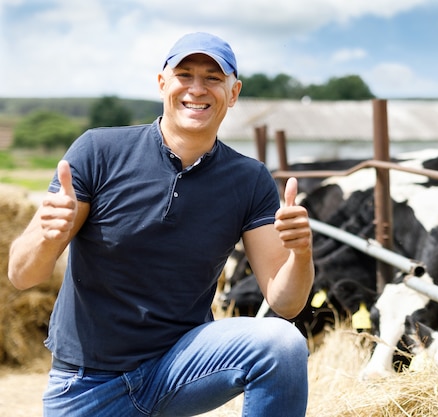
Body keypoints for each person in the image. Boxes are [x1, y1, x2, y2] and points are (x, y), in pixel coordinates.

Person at [8, 32, 314, 417]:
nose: (197, 89)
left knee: (281, 344)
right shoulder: (98, 152)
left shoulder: (249, 180)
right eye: (184, 74)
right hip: (87, 384)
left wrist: (301, 254)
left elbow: (286, 304)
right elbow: (22, 276)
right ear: (162, 84)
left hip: (180, 371)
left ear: (233, 93)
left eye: (213, 78)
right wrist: (45, 235)